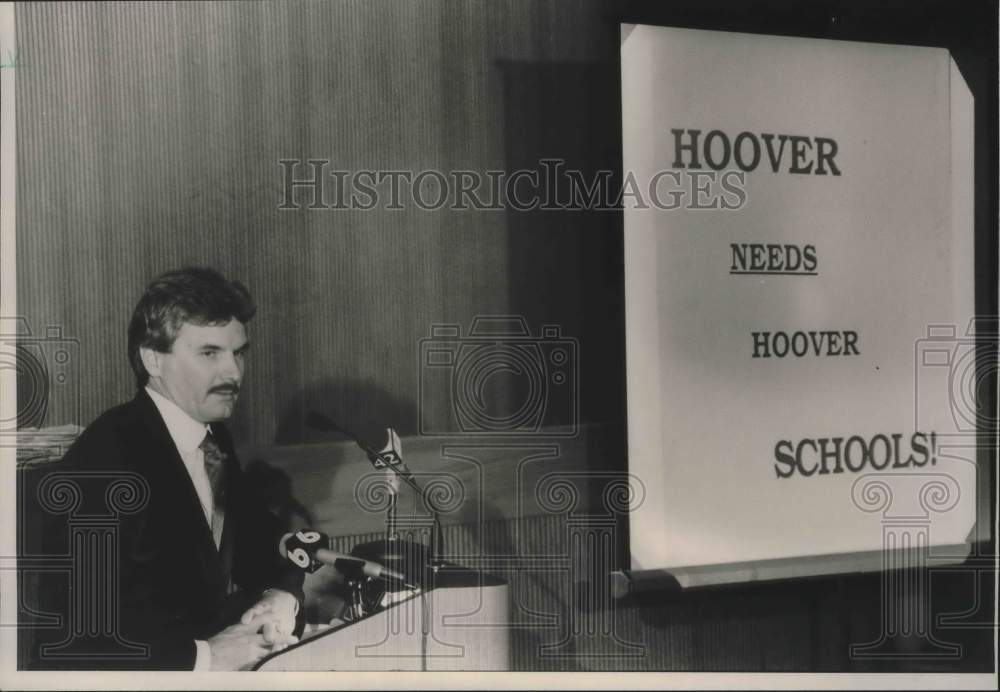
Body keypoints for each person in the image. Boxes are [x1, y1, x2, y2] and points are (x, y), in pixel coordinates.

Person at [29, 267, 304, 670]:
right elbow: (77, 640)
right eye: (210, 353)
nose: (233, 373)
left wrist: (280, 596)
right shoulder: (104, 461)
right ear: (153, 359)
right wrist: (208, 657)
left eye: (239, 352)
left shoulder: (212, 440)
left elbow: (260, 542)